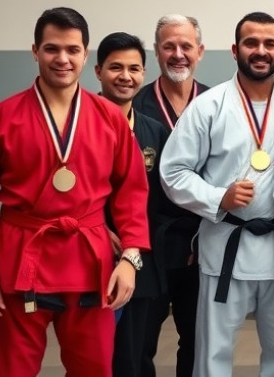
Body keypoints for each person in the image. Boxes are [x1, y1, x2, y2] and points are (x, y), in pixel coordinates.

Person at [0, 7, 149, 376]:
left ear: (85, 55)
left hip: (90, 264)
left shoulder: (110, 119)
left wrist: (130, 258)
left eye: (72, 50)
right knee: (9, 369)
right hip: (20, 259)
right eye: (52, 49)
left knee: (93, 369)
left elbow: (132, 192)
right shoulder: (1, 118)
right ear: (35, 51)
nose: (62, 59)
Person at [161, 12, 274, 376]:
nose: (260, 51)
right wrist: (218, 197)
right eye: (251, 43)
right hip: (226, 246)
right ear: (235, 50)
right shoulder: (208, 106)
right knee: (213, 350)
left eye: (269, 44)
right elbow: (173, 172)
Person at [132, 14, 209, 377]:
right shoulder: (134, 106)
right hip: (148, 243)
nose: (178, 54)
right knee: (138, 341)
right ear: (157, 52)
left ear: (200, 52)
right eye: (168, 47)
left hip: (201, 243)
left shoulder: (217, 103)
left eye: (186, 46)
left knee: (197, 343)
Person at [95, 32, 171, 377]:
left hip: (139, 260)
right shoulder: (80, 125)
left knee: (136, 355)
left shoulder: (154, 132)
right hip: (89, 252)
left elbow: (162, 198)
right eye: (115, 67)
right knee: (94, 354)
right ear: (97, 71)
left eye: (134, 68)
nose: (126, 76)